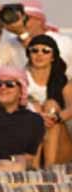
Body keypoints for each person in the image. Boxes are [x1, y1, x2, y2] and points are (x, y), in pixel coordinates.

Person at [0, 0, 72, 78]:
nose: (22, 21)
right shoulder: (12, 44)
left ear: (39, 20)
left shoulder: (62, 41)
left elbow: (50, 68)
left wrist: (22, 34)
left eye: (26, 18)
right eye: (16, 18)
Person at [22, 35, 72, 166]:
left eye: (45, 51)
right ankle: (35, 167)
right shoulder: (19, 78)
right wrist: (37, 116)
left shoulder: (62, 80)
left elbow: (71, 108)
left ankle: (48, 167)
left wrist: (55, 118)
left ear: (53, 57)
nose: (39, 54)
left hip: (58, 135)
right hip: (26, 130)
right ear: (29, 54)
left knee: (51, 105)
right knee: (34, 108)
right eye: (34, 50)